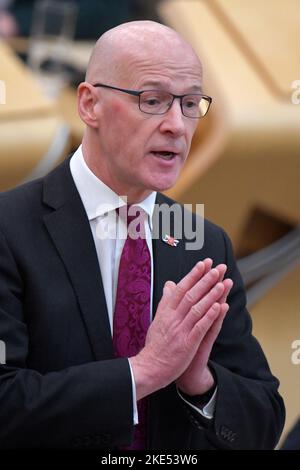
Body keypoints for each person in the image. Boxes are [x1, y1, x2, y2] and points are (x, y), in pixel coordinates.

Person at [0, 20, 285, 450]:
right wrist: (144, 372)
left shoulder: (202, 241)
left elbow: (263, 421)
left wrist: (201, 383)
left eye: (190, 104)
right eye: (153, 101)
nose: (177, 125)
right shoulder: (8, 227)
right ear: (89, 104)